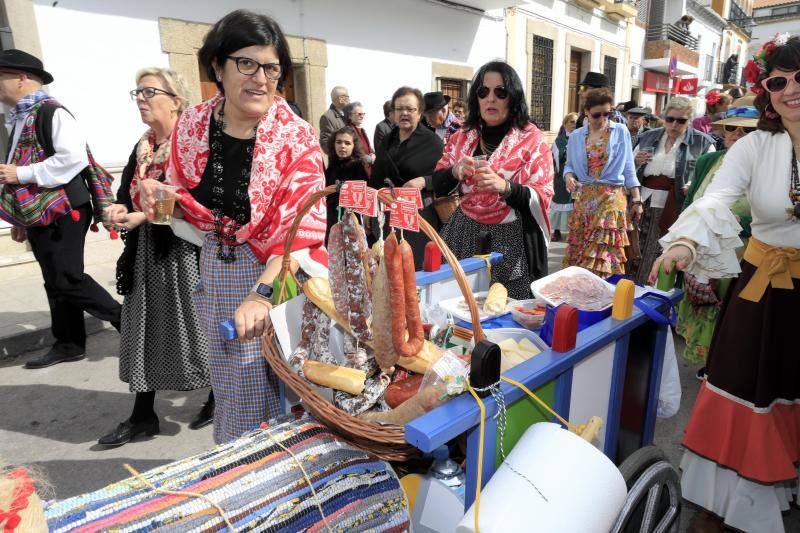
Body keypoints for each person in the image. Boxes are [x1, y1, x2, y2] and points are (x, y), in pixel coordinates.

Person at [140, 9, 328, 444]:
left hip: (281, 275)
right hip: (217, 270)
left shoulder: (296, 139)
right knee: (233, 391)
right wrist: (162, 200)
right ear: (217, 68)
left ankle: (266, 479)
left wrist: (261, 295)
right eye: (246, 63)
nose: (260, 78)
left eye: (271, 68)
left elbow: (300, 234)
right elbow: (188, 205)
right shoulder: (191, 126)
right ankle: (249, 478)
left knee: (283, 391)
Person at [649, 35, 800, 533]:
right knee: (741, 386)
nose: (791, 89)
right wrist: (684, 245)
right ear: (766, 90)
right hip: (763, 290)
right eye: (779, 80)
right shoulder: (756, 144)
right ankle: (726, 504)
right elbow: (716, 199)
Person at [98, 68, 213, 446]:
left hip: (184, 249)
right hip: (146, 250)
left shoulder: (192, 145)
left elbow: (199, 197)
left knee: (195, 330)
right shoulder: (143, 146)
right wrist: (118, 209)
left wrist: (145, 214)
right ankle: (143, 415)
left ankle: (217, 396)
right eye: (137, 92)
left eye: (149, 91)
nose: (141, 99)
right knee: (142, 329)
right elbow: (124, 190)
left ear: (175, 100)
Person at [0, 49, 122, 369]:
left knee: (67, 278)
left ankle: (128, 322)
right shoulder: (22, 116)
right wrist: (21, 218)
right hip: (40, 210)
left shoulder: (51, 112)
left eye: (1, 77)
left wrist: (21, 174)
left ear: (23, 79)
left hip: (64, 207)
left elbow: (72, 159)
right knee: (53, 279)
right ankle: (68, 343)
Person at [431, 61, 554, 297]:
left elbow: (543, 195)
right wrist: (455, 172)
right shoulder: (462, 137)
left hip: (511, 239)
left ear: (513, 97)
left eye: (500, 92)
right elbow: (439, 182)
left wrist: (505, 187)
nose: (491, 98)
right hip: (463, 233)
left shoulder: (532, 140)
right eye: (483, 92)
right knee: (457, 303)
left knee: (503, 308)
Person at [675, 95, 756, 378]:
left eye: (748, 130)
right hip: (701, 250)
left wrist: (741, 223)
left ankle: (723, 366)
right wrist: (680, 239)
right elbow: (689, 204)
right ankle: (709, 362)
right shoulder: (709, 160)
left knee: (730, 313)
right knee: (702, 305)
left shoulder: (764, 168)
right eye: (732, 127)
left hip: (742, 255)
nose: (737, 135)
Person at [627, 97, 715, 285]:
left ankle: (649, 296)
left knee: (658, 250)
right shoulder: (648, 136)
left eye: (681, 121)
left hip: (673, 205)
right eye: (670, 119)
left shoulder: (703, 143)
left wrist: (693, 184)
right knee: (632, 248)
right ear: (664, 117)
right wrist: (636, 162)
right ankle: (626, 290)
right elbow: (627, 171)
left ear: (689, 120)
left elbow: (711, 177)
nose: (674, 125)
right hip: (641, 202)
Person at [562, 89, 642, 278]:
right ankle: (581, 301)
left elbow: (629, 167)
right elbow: (569, 165)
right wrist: (568, 177)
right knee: (582, 256)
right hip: (585, 201)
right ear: (586, 112)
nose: (603, 118)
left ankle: (602, 299)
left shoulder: (620, 131)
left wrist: (637, 199)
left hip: (611, 198)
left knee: (603, 257)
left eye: (608, 113)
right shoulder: (576, 136)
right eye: (597, 114)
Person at [369, 86, 444, 270]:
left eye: (410, 109)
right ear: (392, 113)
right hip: (386, 214)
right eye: (399, 109)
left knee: (414, 270)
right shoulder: (386, 141)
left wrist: (425, 181)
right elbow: (377, 176)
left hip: (417, 216)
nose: (404, 113)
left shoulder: (432, 142)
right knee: (388, 270)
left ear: (420, 113)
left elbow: (443, 176)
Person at [324, 126, 369, 238]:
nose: (342, 146)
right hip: (332, 219)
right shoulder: (331, 166)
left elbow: (364, 196)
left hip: (351, 220)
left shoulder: (358, 167)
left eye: (347, 143)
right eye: (339, 142)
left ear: (354, 146)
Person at [550, 112, 578, 242]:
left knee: (575, 203)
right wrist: (567, 149)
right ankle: (556, 230)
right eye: (571, 121)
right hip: (561, 177)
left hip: (578, 177)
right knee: (560, 202)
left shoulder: (581, 138)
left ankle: (573, 231)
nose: (574, 124)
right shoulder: (559, 140)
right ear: (565, 124)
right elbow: (556, 158)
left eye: (576, 122)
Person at [343, 101, 375, 168]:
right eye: (359, 114)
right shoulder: (348, 131)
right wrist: (366, 158)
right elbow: (357, 151)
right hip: (357, 167)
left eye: (363, 114)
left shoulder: (362, 130)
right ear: (350, 116)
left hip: (368, 165)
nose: (362, 116)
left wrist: (372, 154)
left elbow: (367, 147)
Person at [319, 85, 349, 155]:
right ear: (341, 99)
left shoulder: (350, 113)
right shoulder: (327, 117)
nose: (349, 100)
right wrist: (340, 156)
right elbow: (325, 144)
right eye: (347, 97)